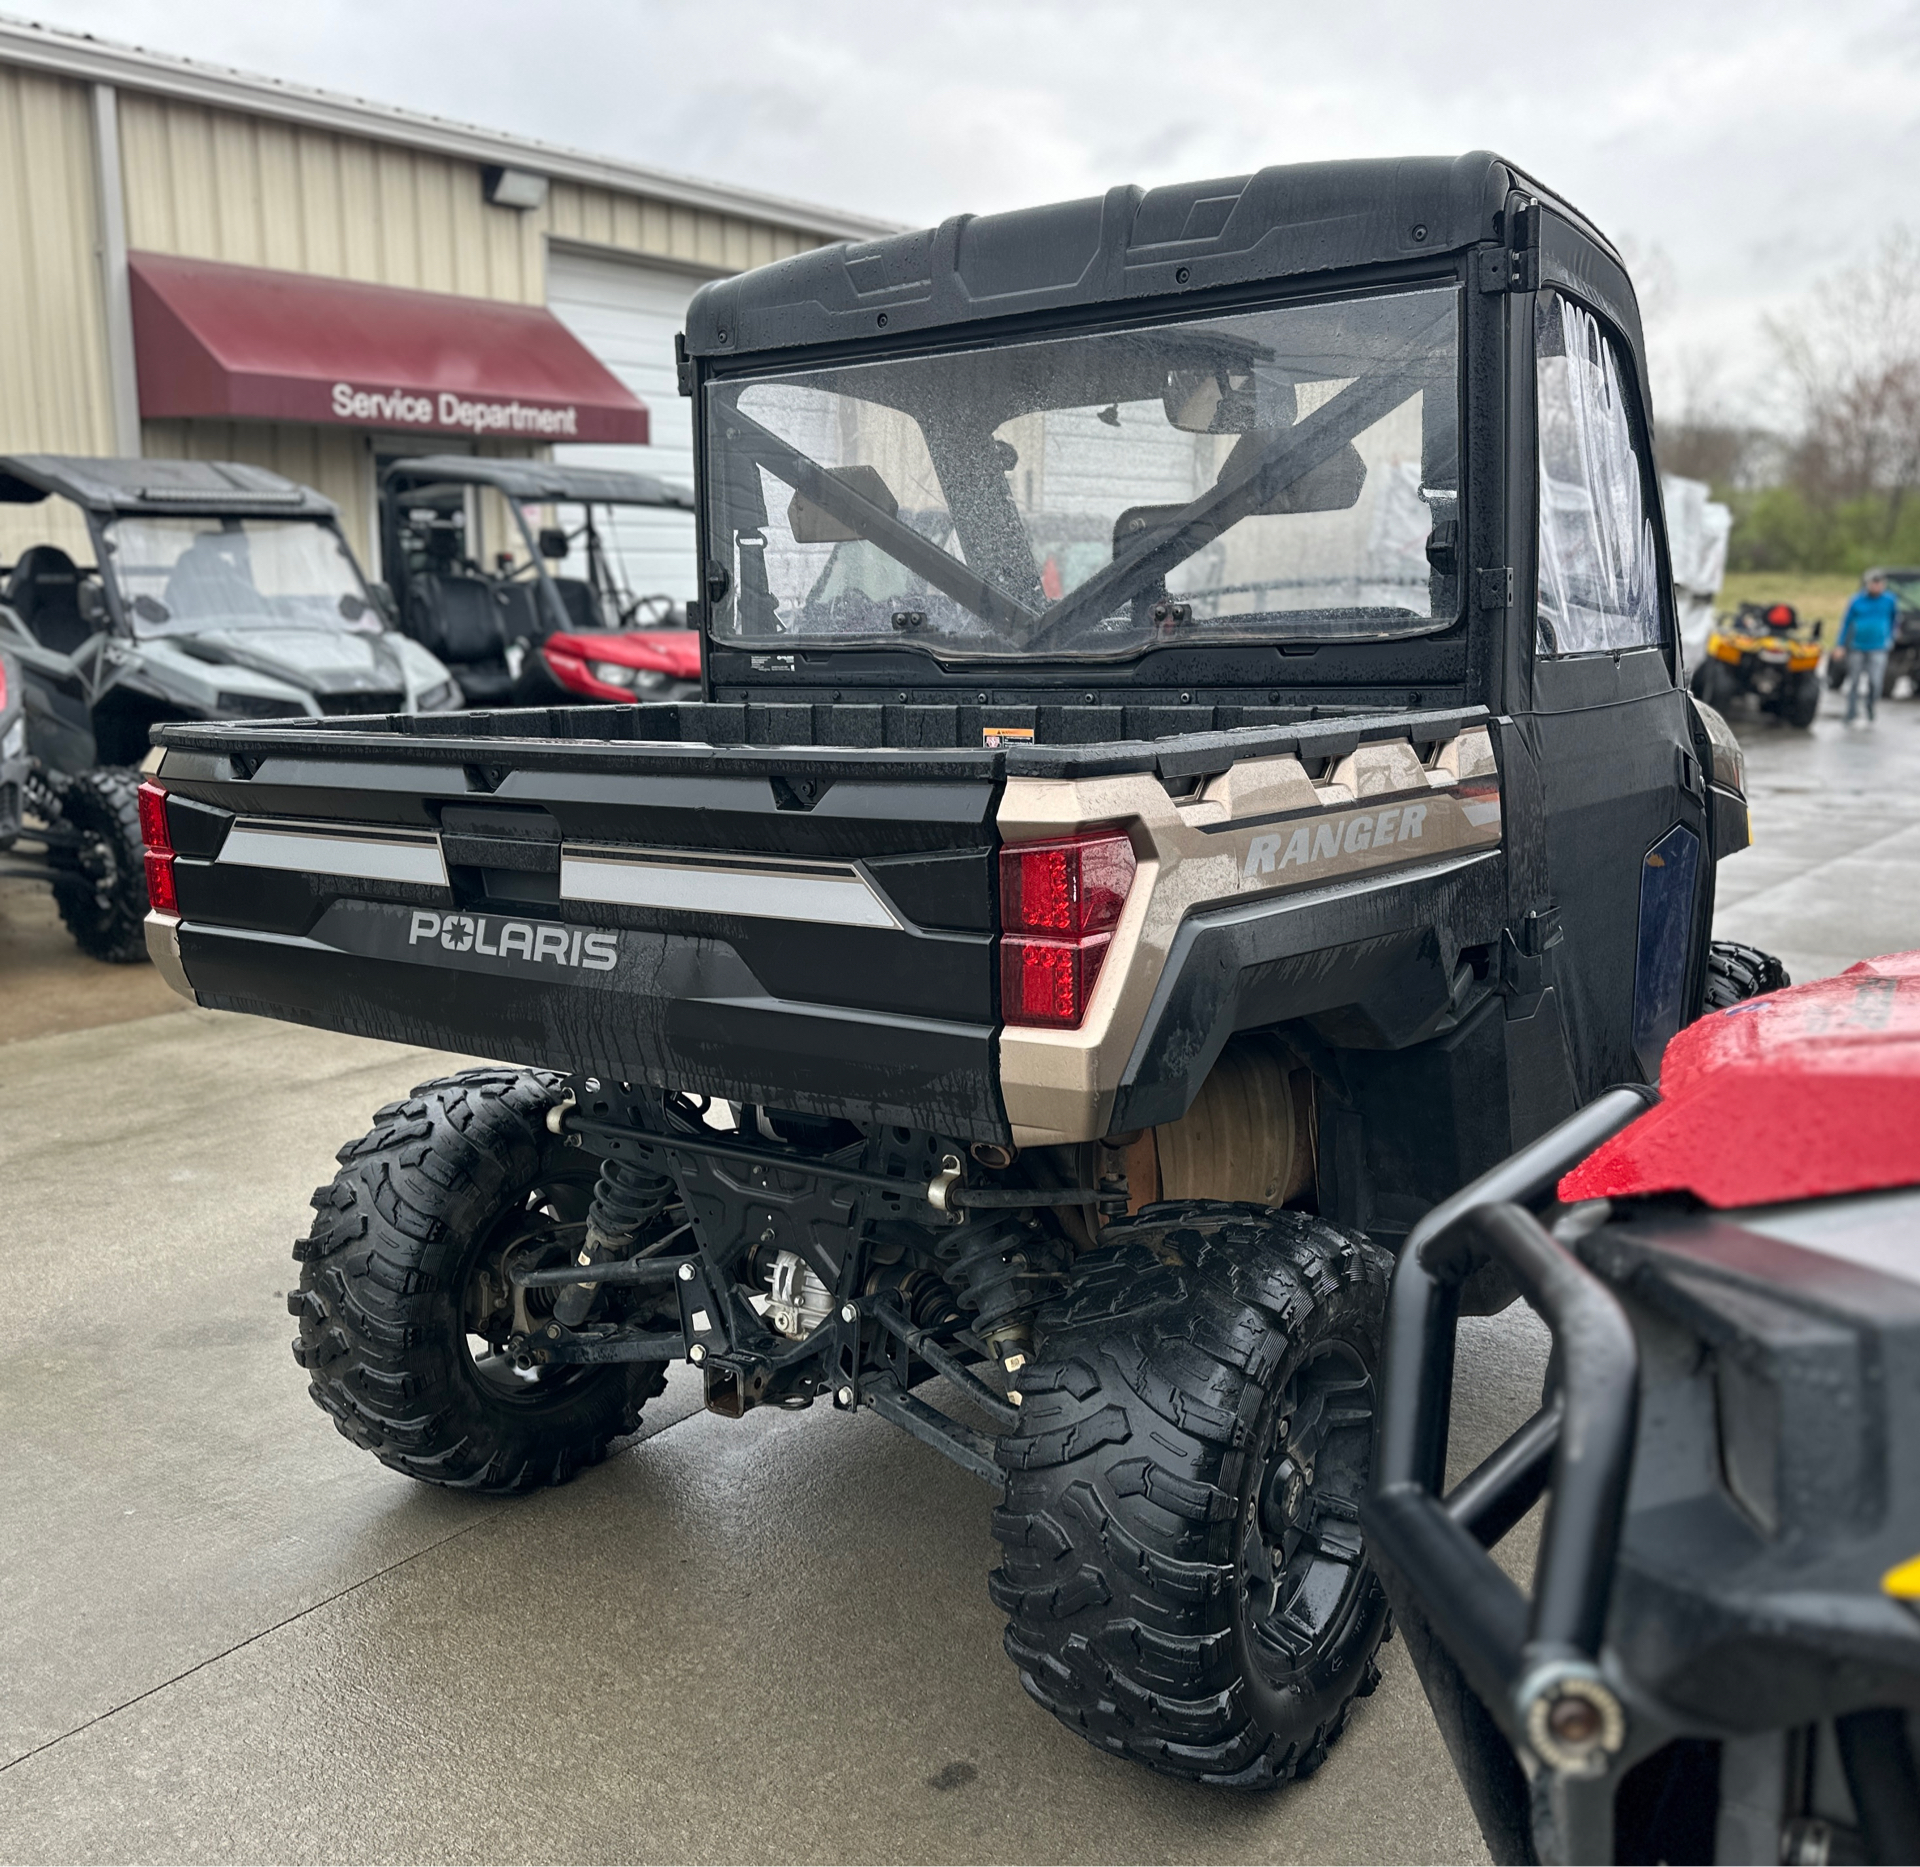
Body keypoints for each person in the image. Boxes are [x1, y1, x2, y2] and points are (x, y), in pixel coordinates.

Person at [1837, 570, 1900, 726]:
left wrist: (1891, 637)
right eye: (1873, 582)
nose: (1876, 586)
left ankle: (1870, 705)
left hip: (1878, 647)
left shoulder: (1889, 600)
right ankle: (1851, 712)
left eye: (1879, 583)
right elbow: (1846, 623)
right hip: (1857, 646)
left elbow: (1895, 620)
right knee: (1854, 681)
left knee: (1875, 681)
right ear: (1868, 584)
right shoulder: (1857, 600)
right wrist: (1840, 645)